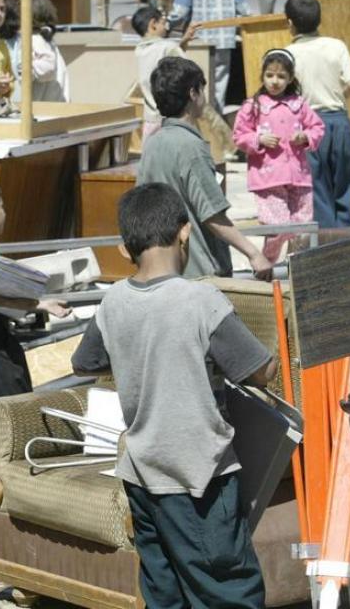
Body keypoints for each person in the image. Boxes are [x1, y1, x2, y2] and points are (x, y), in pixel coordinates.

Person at [70, 182, 275, 609]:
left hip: (141, 477)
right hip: (199, 480)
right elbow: (261, 371)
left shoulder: (113, 302)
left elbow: (85, 363)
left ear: (125, 248)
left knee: (165, 594)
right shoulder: (200, 300)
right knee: (227, 592)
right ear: (185, 231)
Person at [139, 57, 274, 280]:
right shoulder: (191, 148)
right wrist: (254, 254)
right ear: (193, 93)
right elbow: (212, 214)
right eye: (202, 89)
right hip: (199, 273)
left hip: (161, 272)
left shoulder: (152, 144)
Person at [0, 180, 71, 426]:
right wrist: (19, 302)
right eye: (2, 207)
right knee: (16, 403)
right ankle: (23, 444)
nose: (4, 214)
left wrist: (38, 304)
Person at [232, 49, 324, 261]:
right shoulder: (253, 106)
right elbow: (239, 135)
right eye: (270, 75)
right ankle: (266, 264)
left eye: (281, 76)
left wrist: (305, 136)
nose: (275, 81)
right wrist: (259, 139)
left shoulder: (299, 105)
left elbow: (317, 127)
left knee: (302, 230)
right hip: (268, 179)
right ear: (262, 75)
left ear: (290, 78)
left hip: (299, 177)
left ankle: (298, 268)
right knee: (278, 228)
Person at [284, 0, 350, 228]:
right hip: (340, 121)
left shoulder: (289, 54)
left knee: (318, 191)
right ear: (319, 20)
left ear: (290, 23)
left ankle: (327, 244)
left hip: (308, 126)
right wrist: (337, 96)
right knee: (345, 188)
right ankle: (348, 239)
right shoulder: (337, 45)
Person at [169, 0, 248, 115]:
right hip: (225, 41)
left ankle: (200, 120)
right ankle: (216, 120)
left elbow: (179, 13)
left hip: (200, 42)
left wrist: (165, 23)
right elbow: (244, 10)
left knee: (198, 84)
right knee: (219, 85)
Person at [132, 6, 198, 138]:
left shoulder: (140, 50)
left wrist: (183, 41)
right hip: (170, 120)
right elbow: (187, 68)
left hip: (150, 119)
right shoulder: (168, 47)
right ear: (153, 24)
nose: (166, 27)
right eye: (163, 23)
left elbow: (167, 58)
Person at [9, 0, 70, 102]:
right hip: (52, 102)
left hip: (43, 105)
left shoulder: (36, 39)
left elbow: (47, 67)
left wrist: (23, 68)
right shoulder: (44, 39)